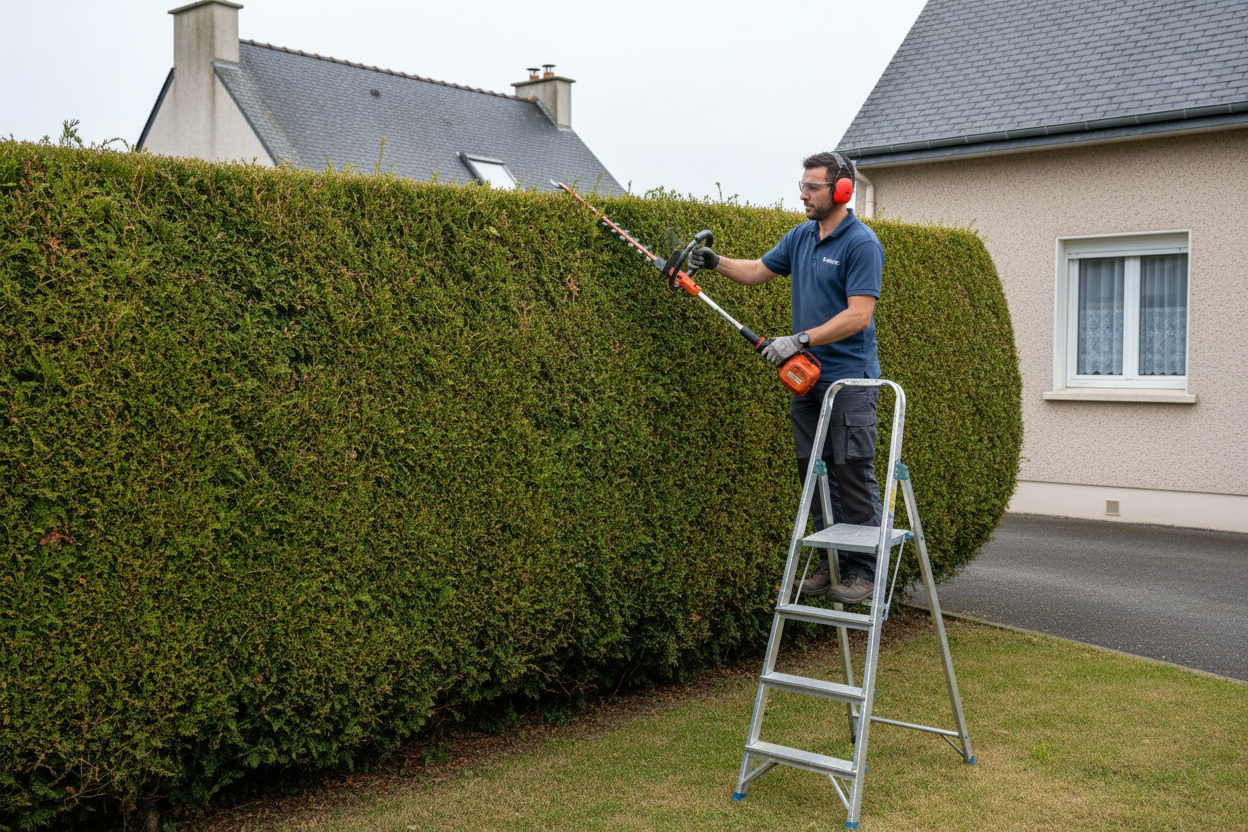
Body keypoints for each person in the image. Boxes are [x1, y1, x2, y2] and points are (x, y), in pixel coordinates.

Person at [689, 151, 884, 604]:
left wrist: (799, 340)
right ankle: (829, 561)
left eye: (813, 187)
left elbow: (858, 316)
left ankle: (864, 572)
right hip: (808, 383)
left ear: (842, 191)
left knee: (852, 472)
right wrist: (715, 261)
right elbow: (758, 271)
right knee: (813, 472)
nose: (803, 194)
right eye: (802, 185)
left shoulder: (861, 244)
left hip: (849, 382)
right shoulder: (800, 238)